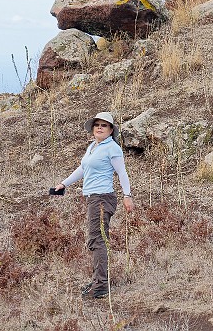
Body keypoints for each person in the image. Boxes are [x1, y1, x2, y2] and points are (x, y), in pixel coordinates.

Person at [52, 111, 134, 299]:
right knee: (96, 240)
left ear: (111, 130)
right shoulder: (93, 147)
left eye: (104, 125)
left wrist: (127, 195)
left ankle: (100, 286)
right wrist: (64, 183)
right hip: (92, 198)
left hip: (102, 198)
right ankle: (99, 280)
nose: (99, 127)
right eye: (97, 124)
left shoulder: (112, 148)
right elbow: (83, 168)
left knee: (97, 241)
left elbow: (122, 173)